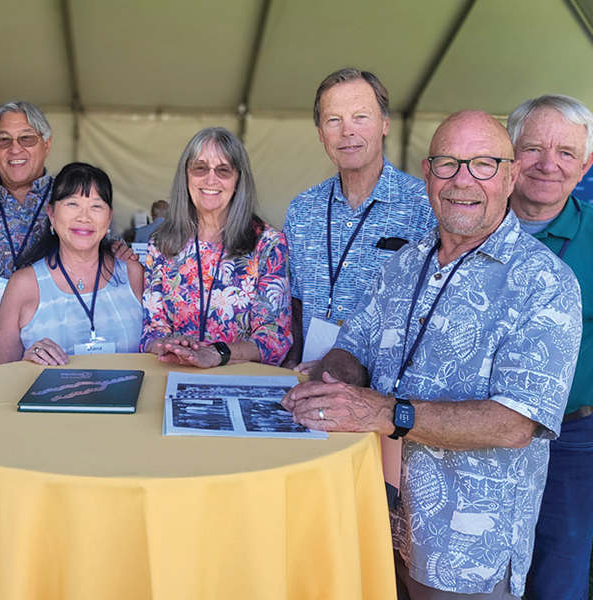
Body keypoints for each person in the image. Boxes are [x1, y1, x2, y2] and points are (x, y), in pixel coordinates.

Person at [283, 111, 583, 598]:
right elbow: (353, 344)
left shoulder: (544, 282)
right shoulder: (405, 262)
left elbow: (514, 423)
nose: (463, 181)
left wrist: (382, 411)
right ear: (427, 173)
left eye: (483, 164)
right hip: (377, 520)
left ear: (509, 176)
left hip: (462, 551)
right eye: (448, 164)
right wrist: (332, 378)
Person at [282, 68, 435, 372]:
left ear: (385, 124)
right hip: (306, 385)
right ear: (320, 133)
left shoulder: (425, 207)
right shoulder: (301, 209)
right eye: (333, 120)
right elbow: (295, 303)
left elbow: (429, 316)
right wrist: (290, 362)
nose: (347, 131)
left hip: (381, 394)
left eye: (360, 117)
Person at [505, 95, 593, 600]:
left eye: (565, 152)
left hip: (571, 440)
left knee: (559, 576)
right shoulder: (473, 228)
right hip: (477, 431)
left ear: (585, 165)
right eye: (534, 148)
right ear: (510, 155)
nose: (547, 164)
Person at [141, 126, 292, 368]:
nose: (211, 179)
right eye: (200, 168)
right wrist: (171, 345)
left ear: (238, 179)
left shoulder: (268, 244)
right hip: (174, 375)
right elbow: (151, 331)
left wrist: (217, 353)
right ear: (186, 175)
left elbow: (273, 339)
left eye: (223, 170)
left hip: (241, 385)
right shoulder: (161, 243)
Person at [0, 162, 143, 365]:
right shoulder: (24, 285)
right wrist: (25, 363)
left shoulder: (132, 273)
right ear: (52, 214)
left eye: (96, 206)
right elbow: (0, 375)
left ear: (109, 218)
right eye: (72, 204)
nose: (84, 217)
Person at [0, 101, 53, 368]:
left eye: (27, 138)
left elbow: (109, 253)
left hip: (55, 358)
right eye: (3, 140)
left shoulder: (71, 200)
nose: (15, 148)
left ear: (46, 145)